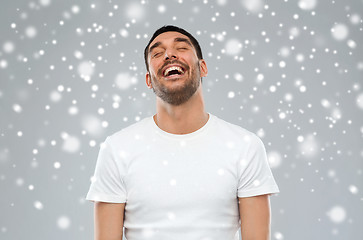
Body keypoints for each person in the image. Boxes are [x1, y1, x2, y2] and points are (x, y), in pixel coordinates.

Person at [86, 25, 280, 240]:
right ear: (149, 80)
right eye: (158, 53)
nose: (169, 55)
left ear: (203, 67)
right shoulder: (117, 149)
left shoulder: (245, 146)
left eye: (181, 47)